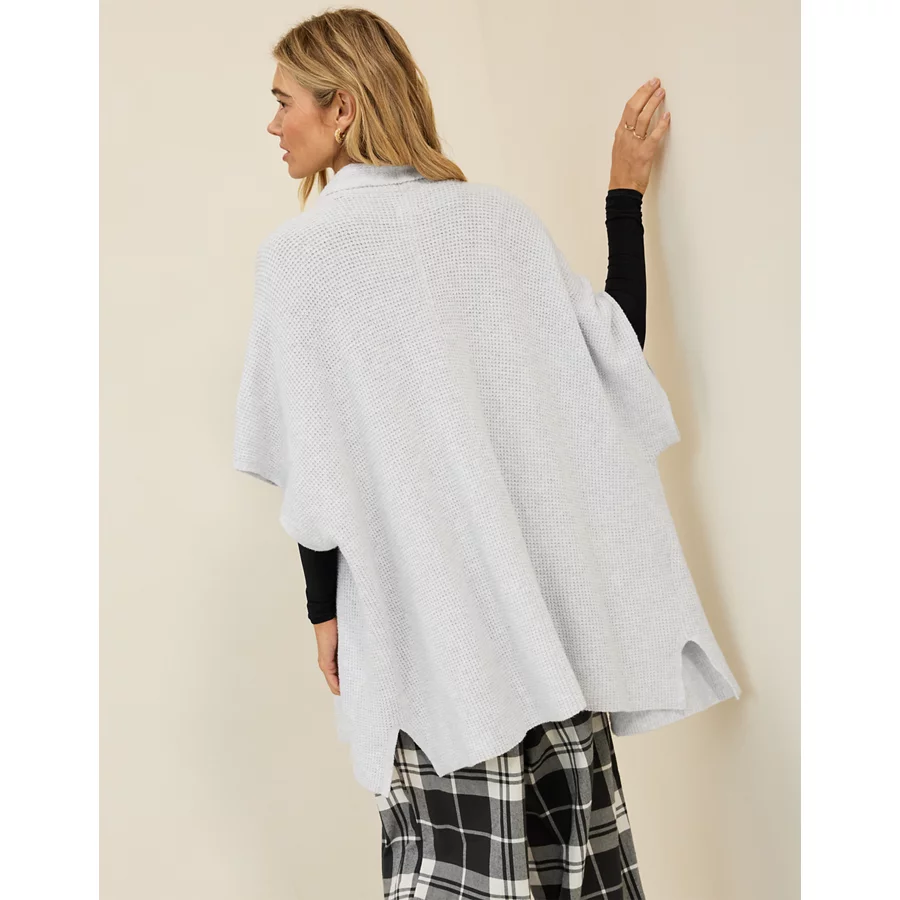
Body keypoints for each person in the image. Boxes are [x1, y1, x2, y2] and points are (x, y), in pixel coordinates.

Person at [233, 8, 741, 899]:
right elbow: (613, 355)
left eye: (284, 102)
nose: (273, 125)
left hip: (429, 647)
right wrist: (623, 197)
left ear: (342, 107)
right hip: (547, 639)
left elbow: (316, 469)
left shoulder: (300, 259)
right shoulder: (495, 224)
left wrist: (323, 609)